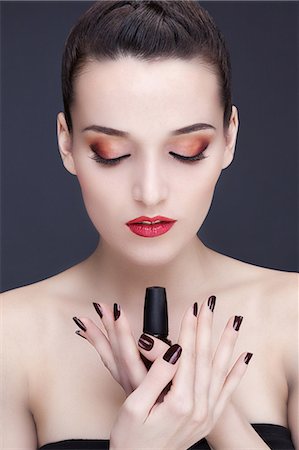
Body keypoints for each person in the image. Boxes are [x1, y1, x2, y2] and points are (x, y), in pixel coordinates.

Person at [1, 1, 297, 449]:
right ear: (66, 143)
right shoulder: (10, 338)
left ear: (229, 137)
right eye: (110, 153)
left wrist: (215, 420)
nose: (150, 191)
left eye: (188, 150)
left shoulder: (293, 316)